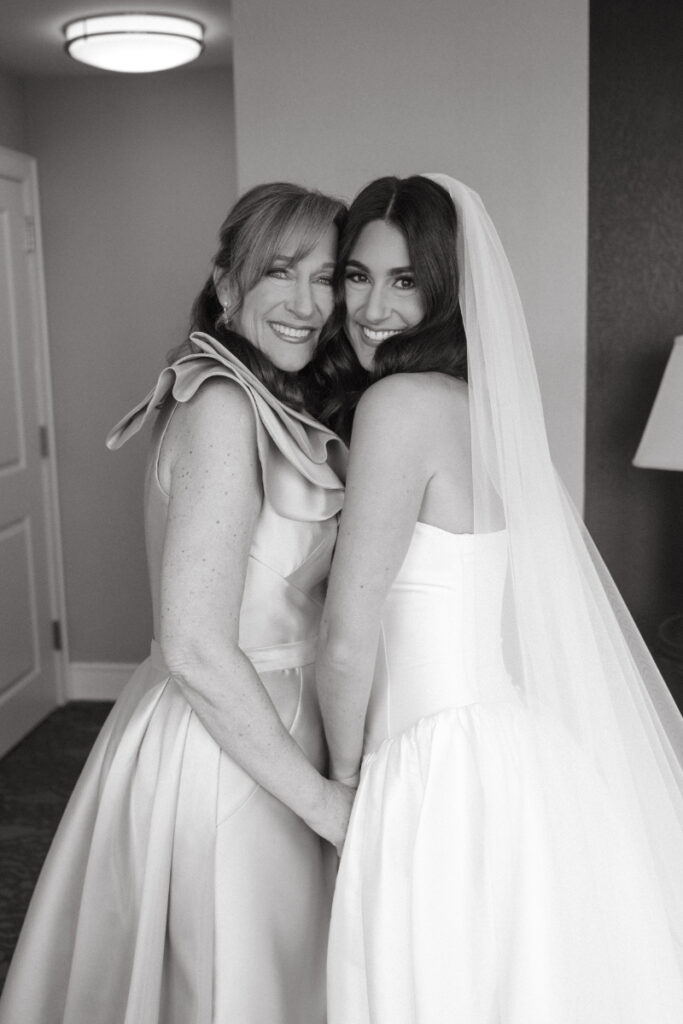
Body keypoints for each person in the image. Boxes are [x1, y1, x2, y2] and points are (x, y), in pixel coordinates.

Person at [316, 174, 683, 1022]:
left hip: (428, 760)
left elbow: (345, 638)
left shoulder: (397, 403)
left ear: (443, 289)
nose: (370, 306)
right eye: (357, 277)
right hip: (502, 743)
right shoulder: (473, 406)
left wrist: (343, 778)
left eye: (403, 281)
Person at [0, 182, 354, 1024]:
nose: (308, 303)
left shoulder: (263, 393)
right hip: (226, 751)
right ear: (228, 284)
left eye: (328, 277)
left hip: (268, 729)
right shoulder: (223, 404)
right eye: (281, 272)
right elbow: (195, 644)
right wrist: (327, 807)